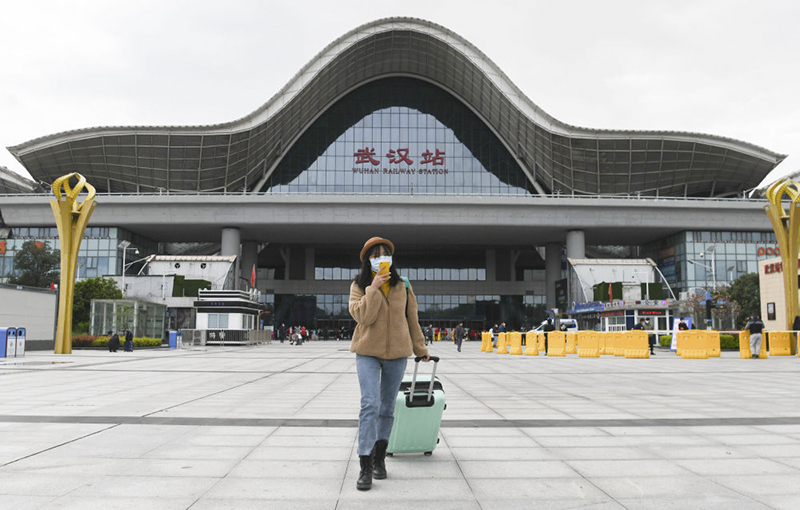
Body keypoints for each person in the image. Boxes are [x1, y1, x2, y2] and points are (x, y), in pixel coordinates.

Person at [349, 236, 429, 491]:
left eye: (385, 254)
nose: (381, 259)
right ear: (367, 261)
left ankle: (379, 459)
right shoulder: (358, 285)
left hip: (397, 353)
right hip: (367, 352)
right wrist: (373, 288)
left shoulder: (403, 285)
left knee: (387, 408)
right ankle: (365, 465)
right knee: (370, 404)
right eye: (376, 255)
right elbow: (363, 317)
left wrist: (420, 349)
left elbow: (412, 319)